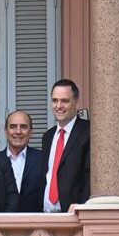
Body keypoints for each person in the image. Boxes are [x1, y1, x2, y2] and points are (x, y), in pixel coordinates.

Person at [42, 79, 90, 212]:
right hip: (46, 214)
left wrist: (82, 206)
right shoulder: (48, 136)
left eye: (64, 101)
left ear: (75, 102)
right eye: (55, 100)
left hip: (73, 214)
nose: (59, 106)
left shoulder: (89, 132)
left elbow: (90, 175)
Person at [4, 110, 44, 212]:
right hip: (1, 224)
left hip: (36, 223)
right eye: (13, 126)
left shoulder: (44, 159)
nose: (18, 131)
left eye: (23, 127)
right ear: (5, 131)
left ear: (31, 132)